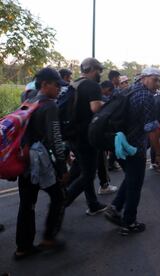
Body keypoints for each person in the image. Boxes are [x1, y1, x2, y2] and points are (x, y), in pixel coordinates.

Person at [104, 67, 160, 236]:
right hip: (134, 147)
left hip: (119, 143)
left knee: (130, 178)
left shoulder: (128, 90)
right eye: (155, 80)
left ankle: (115, 208)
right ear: (144, 78)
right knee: (135, 185)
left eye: (159, 80)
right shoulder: (146, 96)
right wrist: (159, 154)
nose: (157, 84)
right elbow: (152, 129)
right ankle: (129, 222)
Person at [15, 68, 68, 260]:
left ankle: (23, 247)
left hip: (25, 158)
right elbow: (55, 137)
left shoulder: (28, 100)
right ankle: (48, 238)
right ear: (45, 84)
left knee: (27, 204)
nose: (59, 90)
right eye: (56, 85)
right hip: (41, 162)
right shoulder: (50, 106)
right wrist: (62, 167)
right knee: (59, 196)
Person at [64, 58, 107, 215]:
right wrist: (109, 104)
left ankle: (93, 203)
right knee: (89, 174)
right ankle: (62, 203)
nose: (100, 75)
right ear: (92, 69)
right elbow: (95, 107)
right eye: (99, 71)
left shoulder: (74, 84)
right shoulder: (92, 85)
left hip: (72, 134)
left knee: (81, 169)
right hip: (86, 135)